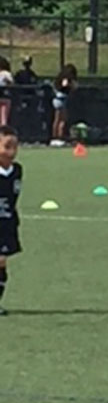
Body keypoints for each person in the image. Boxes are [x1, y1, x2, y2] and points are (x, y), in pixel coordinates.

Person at [0, 126, 22, 316]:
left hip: (7, 223)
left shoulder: (17, 171)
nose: (12, 152)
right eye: (7, 147)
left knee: (2, 263)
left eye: (14, 147)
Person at [51, 63, 78, 145]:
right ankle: (58, 138)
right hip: (61, 100)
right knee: (62, 120)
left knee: (57, 120)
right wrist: (71, 85)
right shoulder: (66, 79)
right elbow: (65, 85)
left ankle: (55, 138)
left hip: (57, 99)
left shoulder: (59, 78)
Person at [0, 57, 13, 128]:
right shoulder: (6, 73)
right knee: (3, 119)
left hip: (4, 97)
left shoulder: (5, 73)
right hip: (5, 97)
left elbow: (10, 81)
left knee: (3, 119)